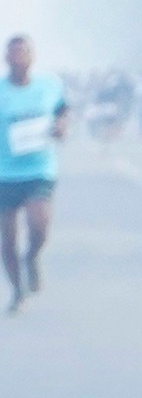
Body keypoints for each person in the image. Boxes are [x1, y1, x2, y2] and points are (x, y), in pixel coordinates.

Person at [1, 34, 70, 314]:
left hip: (39, 169)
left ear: (32, 57)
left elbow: (62, 109)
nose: (19, 57)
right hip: (5, 173)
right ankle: (17, 290)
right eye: (14, 53)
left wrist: (61, 126)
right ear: (6, 58)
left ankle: (31, 257)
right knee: (8, 239)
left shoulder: (49, 85)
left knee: (39, 224)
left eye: (24, 52)